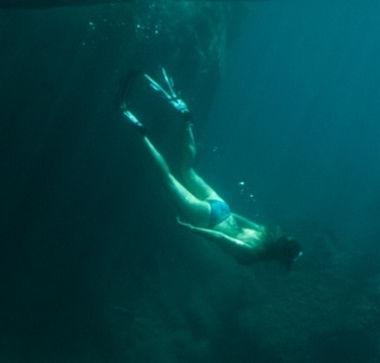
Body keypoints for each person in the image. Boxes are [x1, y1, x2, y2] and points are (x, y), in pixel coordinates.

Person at [121, 69, 303, 269]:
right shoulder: (252, 255)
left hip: (222, 207)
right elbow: (222, 239)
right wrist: (193, 229)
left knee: (187, 170)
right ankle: (140, 131)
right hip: (208, 220)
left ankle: (186, 120)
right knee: (167, 179)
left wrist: (226, 215)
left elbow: (238, 218)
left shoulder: (265, 231)